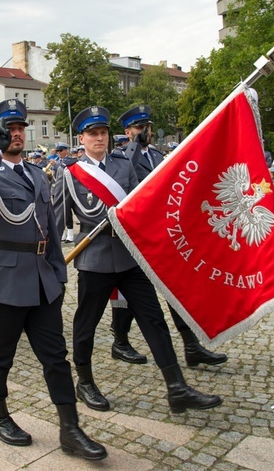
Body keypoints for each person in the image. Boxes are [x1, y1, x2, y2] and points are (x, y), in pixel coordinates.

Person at [0, 99, 106, 461]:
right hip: (2, 283)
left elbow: (51, 230)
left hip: (42, 281)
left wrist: (58, 273)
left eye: (21, 128)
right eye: (10, 129)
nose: (18, 134)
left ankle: (70, 429)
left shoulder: (39, 173)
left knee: (56, 358)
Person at [53, 105, 222, 414]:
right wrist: (51, 261)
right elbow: (57, 220)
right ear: (81, 138)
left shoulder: (122, 165)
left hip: (130, 259)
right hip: (94, 260)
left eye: (103, 133)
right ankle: (85, 382)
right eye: (93, 134)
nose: (100, 138)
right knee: (86, 324)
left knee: (153, 320)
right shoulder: (70, 174)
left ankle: (177, 387)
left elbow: (138, 207)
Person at [109, 105, 227, 367]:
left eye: (147, 128)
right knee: (130, 292)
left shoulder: (155, 154)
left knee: (175, 287)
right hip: (137, 233)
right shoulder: (120, 155)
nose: (145, 132)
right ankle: (120, 341)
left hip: (162, 231)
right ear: (127, 131)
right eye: (139, 128)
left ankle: (191, 346)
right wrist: (133, 146)